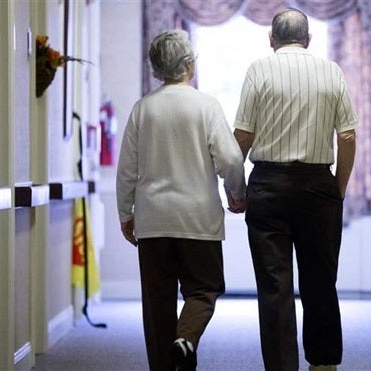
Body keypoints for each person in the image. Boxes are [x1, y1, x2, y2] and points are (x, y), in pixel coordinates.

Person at [233, 8, 358, 371]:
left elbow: (242, 136)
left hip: (268, 186)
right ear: (308, 39)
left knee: (275, 287)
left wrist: (236, 188)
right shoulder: (331, 71)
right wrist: (338, 190)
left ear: (271, 39)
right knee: (320, 282)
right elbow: (347, 136)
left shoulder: (259, 69)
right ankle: (323, 365)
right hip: (318, 186)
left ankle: (281, 366)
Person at [116, 30, 246, 371]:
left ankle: (167, 362)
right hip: (198, 220)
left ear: (157, 68)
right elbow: (231, 160)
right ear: (189, 64)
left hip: (153, 221)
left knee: (157, 306)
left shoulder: (142, 109)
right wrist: (237, 193)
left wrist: (125, 214)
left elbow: (127, 169)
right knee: (204, 290)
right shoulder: (206, 105)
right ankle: (186, 338)